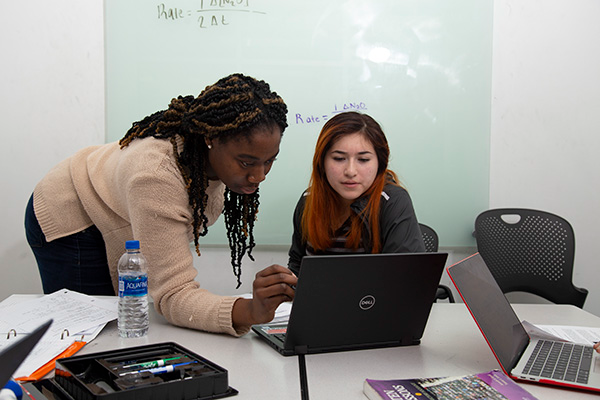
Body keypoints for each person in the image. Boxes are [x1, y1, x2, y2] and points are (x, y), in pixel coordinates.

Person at [25, 73, 297, 336]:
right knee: (91, 331)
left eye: (270, 160)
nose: (259, 176)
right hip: (72, 212)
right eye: (247, 162)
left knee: (124, 322)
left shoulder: (214, 154)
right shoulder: (156, 176)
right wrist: (249, 311)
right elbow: (172, 294)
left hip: (113, 201)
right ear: (210, 140)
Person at [288, 111, 425, 274]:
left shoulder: (392, 201)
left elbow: (404, 276)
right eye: (339, 158)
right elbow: (297, 265)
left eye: (363, 160)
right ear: (322, 161)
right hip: (316, 299)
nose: (350, 171)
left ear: (380, 163)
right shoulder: (308, 200)